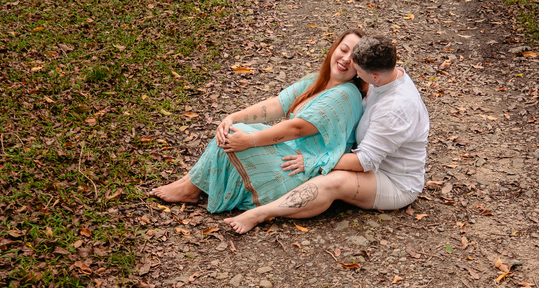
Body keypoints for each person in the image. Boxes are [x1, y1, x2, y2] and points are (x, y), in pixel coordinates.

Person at [224, 36, 429, 234]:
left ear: (374, 76)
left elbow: (364, 161)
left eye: (358, 71)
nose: (354, 72)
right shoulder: (386, 77)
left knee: (332, 181)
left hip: (393, 180)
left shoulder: (394, 109)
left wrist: (315, 160)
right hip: (370, 157)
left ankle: (259, 214)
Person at [151, 30, 366, 213]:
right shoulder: (316, 81)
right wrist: (232, 117)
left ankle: (190, 189)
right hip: (290, 153)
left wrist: (250, 141)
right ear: (334, 49)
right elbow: (276, 105)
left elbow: (297, 128)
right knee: (233, 128)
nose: (346, 59)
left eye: (355, 57)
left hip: (300, 171)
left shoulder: (346, 94)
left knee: (237, 135)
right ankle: (189, 182)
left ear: (361, 67)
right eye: (343, 49)